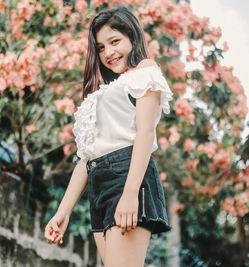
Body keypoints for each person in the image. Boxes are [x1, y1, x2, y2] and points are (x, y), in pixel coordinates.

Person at [44, 5, 173, 267]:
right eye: (101, 47)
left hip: (127, 177)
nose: (109, 53)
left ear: (132, 38)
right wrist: (63, 211)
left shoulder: (144, 72)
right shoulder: (103, 91)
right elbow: (86, 158)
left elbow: (145, 134)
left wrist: (129, 193)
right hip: (99, 184)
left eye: (115, 41)